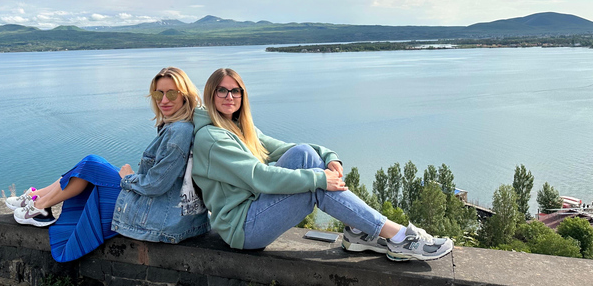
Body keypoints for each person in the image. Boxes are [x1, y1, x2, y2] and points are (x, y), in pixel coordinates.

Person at [191, 68, 453, 262]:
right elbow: (260, 177)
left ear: (242, 95)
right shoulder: (211, 138)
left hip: (254, 209)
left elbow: (287, 149)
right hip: (243, 229)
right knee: (316, 184)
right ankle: (398, 238)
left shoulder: (237, 127)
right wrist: (319, 179)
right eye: (222, 90)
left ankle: (360, 232)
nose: (229, 96)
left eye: (235, 90)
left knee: (305, 154)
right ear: (211, 94)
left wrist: (330, 156)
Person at [4, 67, 210, 262]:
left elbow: (156, 185)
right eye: (158, 94)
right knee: (87, 167)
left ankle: (38, 206)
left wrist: (128, 177)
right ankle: (35, 198)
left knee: (91, 164)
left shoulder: (178, 132)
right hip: (164, 211)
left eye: (171, 94)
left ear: (185, 95)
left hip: (160, 219)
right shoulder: (176, 125)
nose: (164, 100)